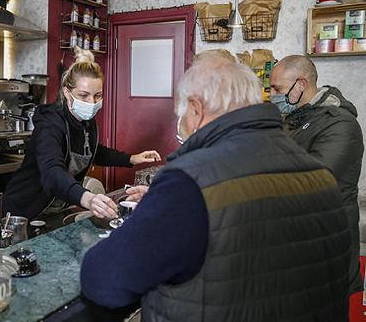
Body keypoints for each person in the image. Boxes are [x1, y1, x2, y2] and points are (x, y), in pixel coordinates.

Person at [80, 57, 351, 321]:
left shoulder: (190, 181)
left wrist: (156, 210)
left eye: (181, 113)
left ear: (196, 110)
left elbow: (104, 279)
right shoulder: (319, 176)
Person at [2, 47, 160, 220]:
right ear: (67, 92)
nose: (91, 102)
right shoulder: (50, 124)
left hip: (57, 206)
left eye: (98, 95)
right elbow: (52, 170)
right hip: (26, 209)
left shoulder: (86, 121)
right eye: (84, 95)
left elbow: (92, 151)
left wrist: (131, 159)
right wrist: (87, 198)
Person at [271, 54, 364, 294]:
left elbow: (312, 181)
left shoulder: (340, 125)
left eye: (277, 88)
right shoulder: (293, 120)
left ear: (300, 85)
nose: (272, 95)